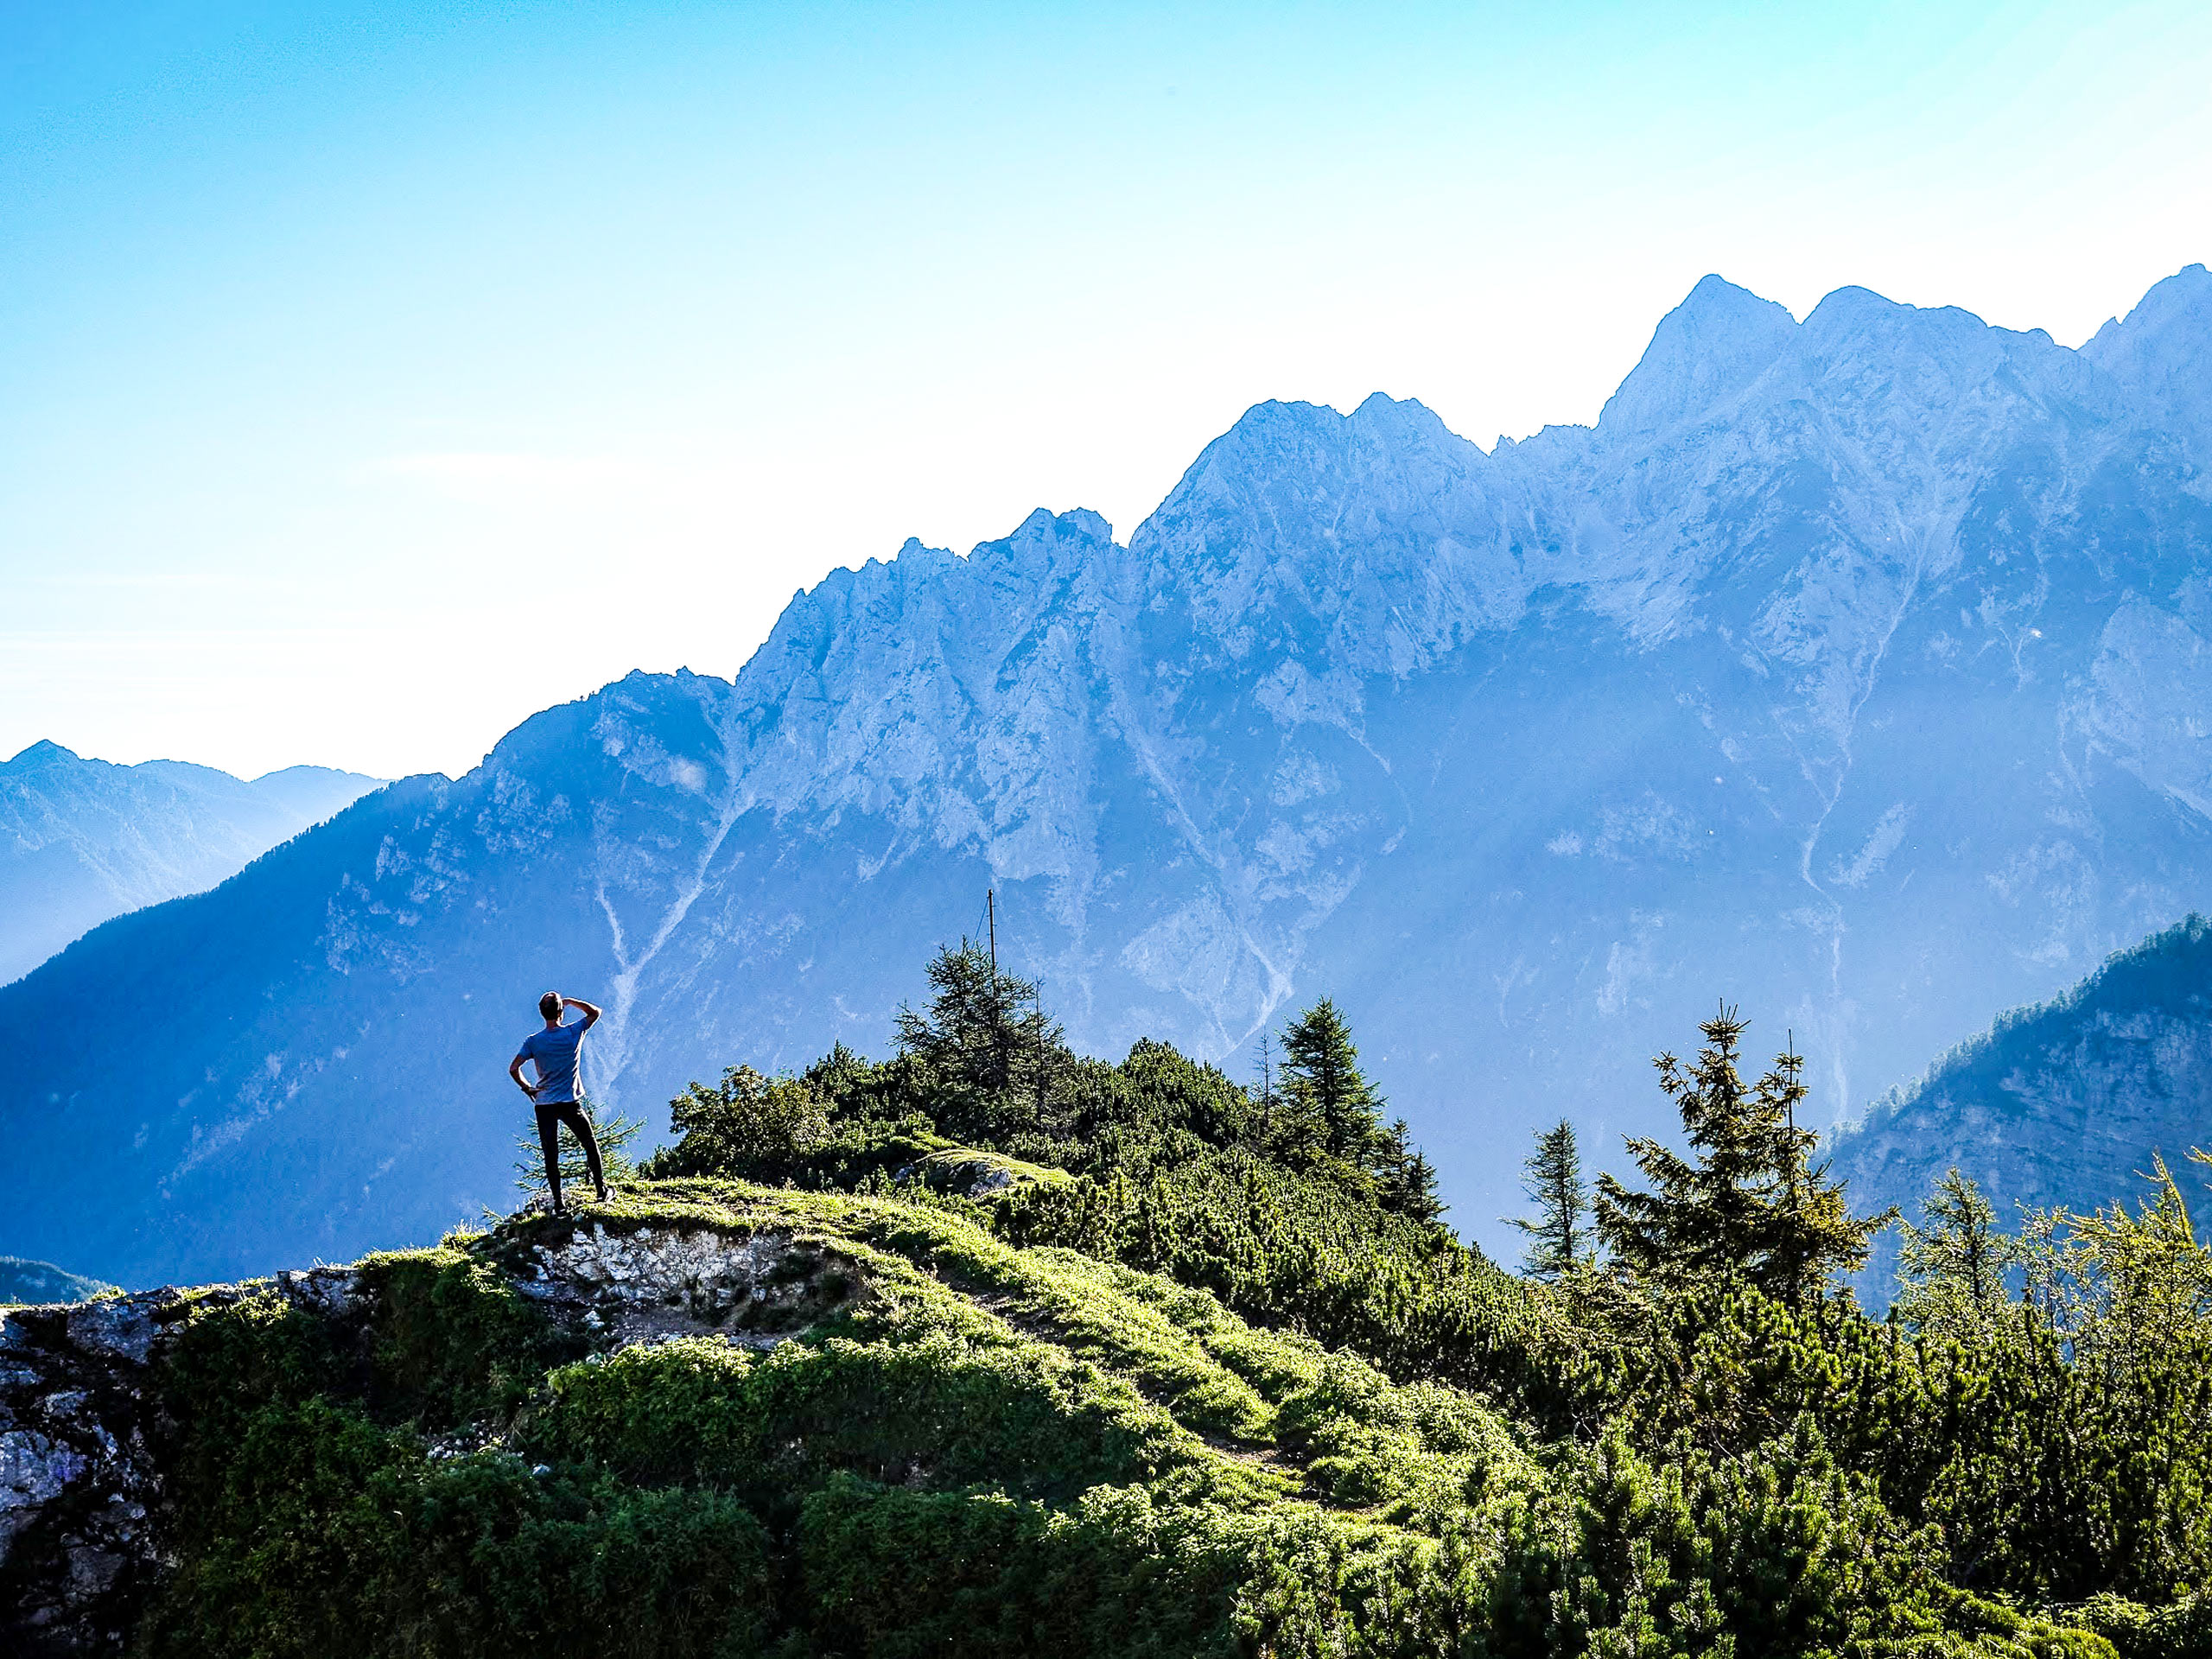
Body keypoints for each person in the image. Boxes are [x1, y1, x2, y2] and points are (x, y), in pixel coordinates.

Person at [509, 991, 609, 1214]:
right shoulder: (573, 1033)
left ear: (542, 1013)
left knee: (551, 1155)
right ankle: (601, 1191)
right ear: (561, 1011)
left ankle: (559, 1205)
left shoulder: (533, 1042)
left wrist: (528, 1089)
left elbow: (514, 1068)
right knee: (589, 1144)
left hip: (544, 1104)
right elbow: (595, 1013)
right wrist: (571, 1001)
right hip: (569, 1102)